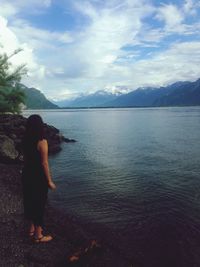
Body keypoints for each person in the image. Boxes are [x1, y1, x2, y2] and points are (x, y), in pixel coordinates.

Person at [22, 114, 56, 243]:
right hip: (38, 176)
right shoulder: (42, 141)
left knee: (30, 200)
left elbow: (26, 158)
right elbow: (44, 163)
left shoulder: (25, 139)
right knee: (39, 204)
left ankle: (31, 229)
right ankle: (38, 236)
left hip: (26, 174)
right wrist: (49, 181)